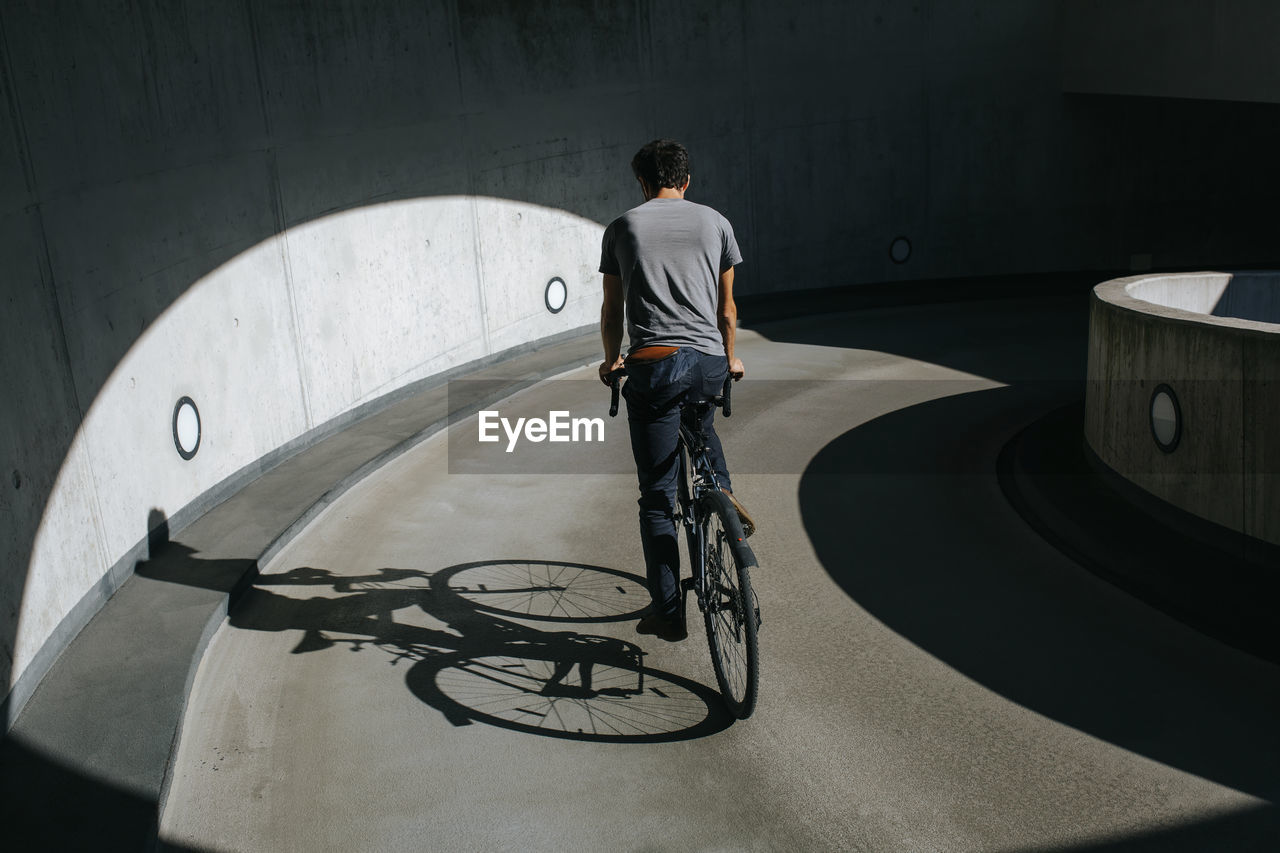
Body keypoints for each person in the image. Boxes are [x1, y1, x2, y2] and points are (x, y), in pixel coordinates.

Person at [597, 138, 755, 642]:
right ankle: (723, 498)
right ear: (686, 180)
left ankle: (669, 613)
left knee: (658, 499)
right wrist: (729, 358)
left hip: (654, 366)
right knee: (701, 424)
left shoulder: (622, 227)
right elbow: (727, 310)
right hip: (708, 363)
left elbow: (613, 310)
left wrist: (610, 361)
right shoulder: (717, 223)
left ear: (643, 183)